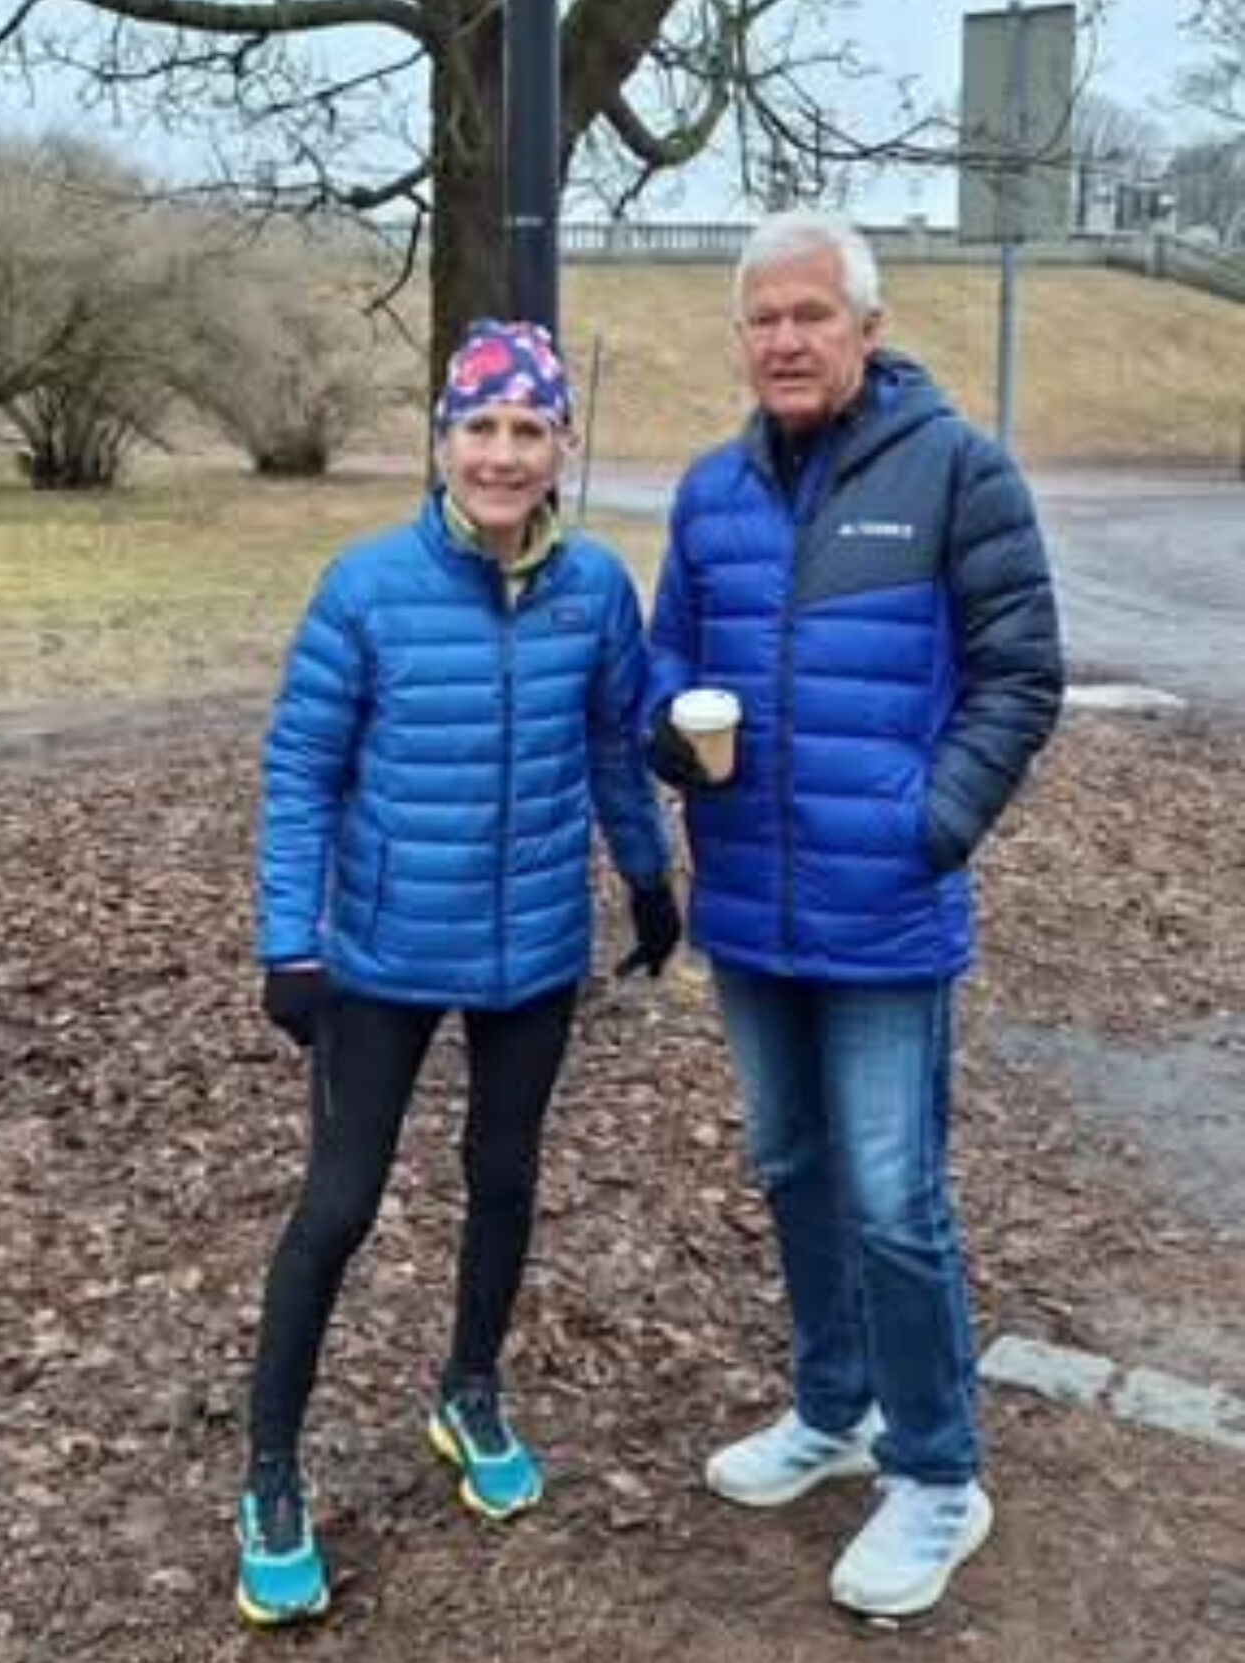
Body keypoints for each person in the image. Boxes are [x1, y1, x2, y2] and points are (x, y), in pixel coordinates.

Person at [644, 209, 1064, 1621]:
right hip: (751, 908)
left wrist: (926, 828)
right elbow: (666, 660)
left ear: (869, 330)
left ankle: (938, 1470)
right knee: (791, 1168)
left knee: (895, 1200)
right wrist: (668, 732)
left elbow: (1022, 675)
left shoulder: (958, 473)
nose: (785, 339)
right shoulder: (711, 494)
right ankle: (834, 1409)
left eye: (811, 314)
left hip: (886, 913)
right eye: (763, 318)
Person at [236, 319, 681, 1627]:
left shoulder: (595, 590)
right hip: (381, 958)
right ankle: (270, 1474)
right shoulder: (367, 589)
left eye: (527, 430)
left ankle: (469, 1391)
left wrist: (648, 876)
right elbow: (299, 773)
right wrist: (290, 943)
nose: (502, 454)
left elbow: (614, 747)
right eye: (479, 427)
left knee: (504, 1178)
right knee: (338, 1207)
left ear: (561, 446)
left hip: (533, 951)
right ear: (443, 442)